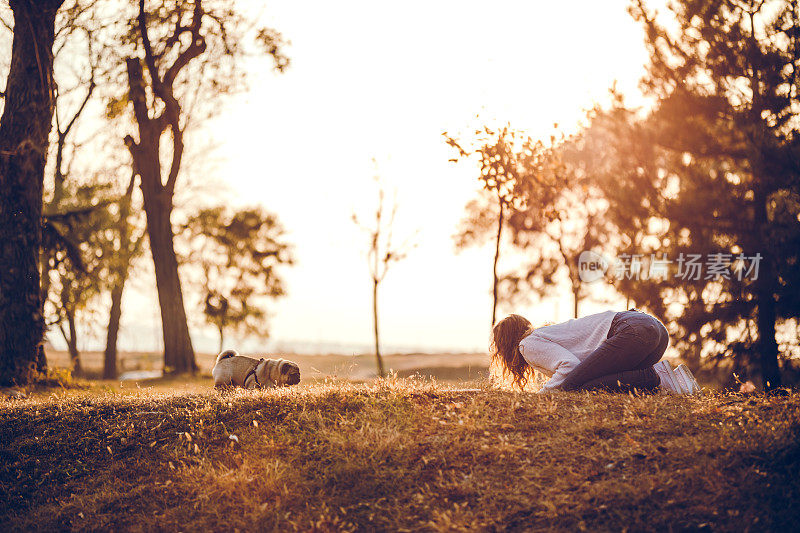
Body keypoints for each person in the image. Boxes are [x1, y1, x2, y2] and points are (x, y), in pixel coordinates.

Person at [490, 309, 699, 393]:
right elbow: (577, 365)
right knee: (590, 380)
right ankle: (667, 377)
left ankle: (657, 376)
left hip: (631, 331)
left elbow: (569, 367)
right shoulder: (547, 334)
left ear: (508, 343)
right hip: (654, 331)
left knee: (572, 384)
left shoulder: (527, 344)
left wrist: (543, 395)